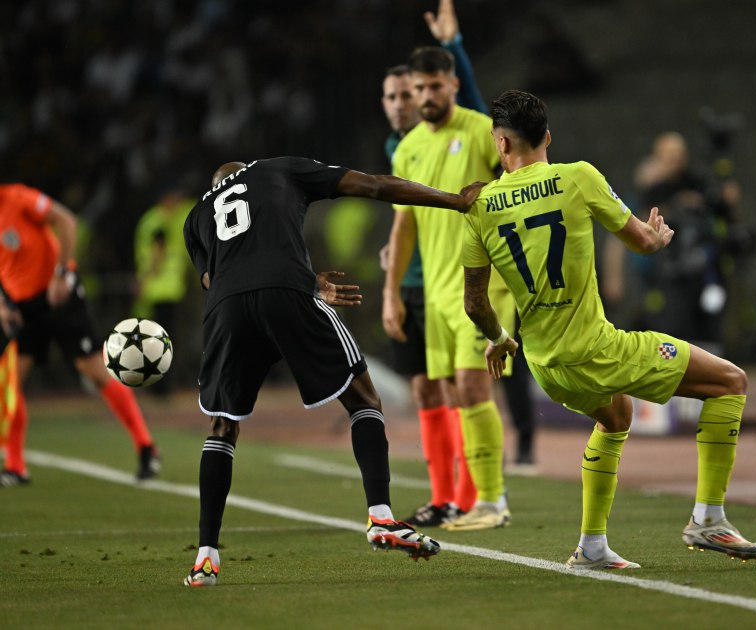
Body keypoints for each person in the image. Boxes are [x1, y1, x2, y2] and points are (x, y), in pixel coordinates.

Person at [461, 90, 756, 569]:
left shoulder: (479, 206)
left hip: (545, 365)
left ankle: (592, 547)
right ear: (547, 137)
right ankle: (709, 519)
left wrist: (501, 339)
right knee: (730, 382)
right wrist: (659, 237)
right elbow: (644, 241)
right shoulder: (577, 177)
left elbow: (475, 303)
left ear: (500, 144)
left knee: (617, 417)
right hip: (596, 350)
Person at [181, 156, 482, 587]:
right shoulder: (277, 168)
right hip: (286, 291)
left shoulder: (195, 217)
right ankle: (381, 517)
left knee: (222, 427)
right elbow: (375, 185)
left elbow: (211, 279)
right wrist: (454, 200)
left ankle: (205, 557)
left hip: (226, 309)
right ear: (246, 169)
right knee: (363, 398)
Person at [380, 0, 535, 526]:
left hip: (484, 285)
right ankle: (465, 499)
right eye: (417, 88)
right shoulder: (406, 150)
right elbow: (403, 223)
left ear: (450, 84)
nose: (425, 96)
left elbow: (524, 178)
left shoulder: (479, 131)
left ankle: (494, 500)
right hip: (438, 291)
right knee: (449, 392)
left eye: (434, 86)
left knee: (472, 387)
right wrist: (390, 292)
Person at [0, 183, 161, 487]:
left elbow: (66, 220)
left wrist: (62, 274)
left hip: (58, 296)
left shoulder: (17, 198)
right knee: (11, 382)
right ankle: (15, 466)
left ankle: (146, 447)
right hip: (22, 307)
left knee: (95, 372)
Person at [133, 188, 193, 393]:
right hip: (162, 290)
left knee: (155, 338)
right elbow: (159, 252)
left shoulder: (152, 219)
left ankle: (157, 385)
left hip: (162, 290)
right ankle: (161, 387)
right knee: (162, 339)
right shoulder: (159, 221)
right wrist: (144, 279)